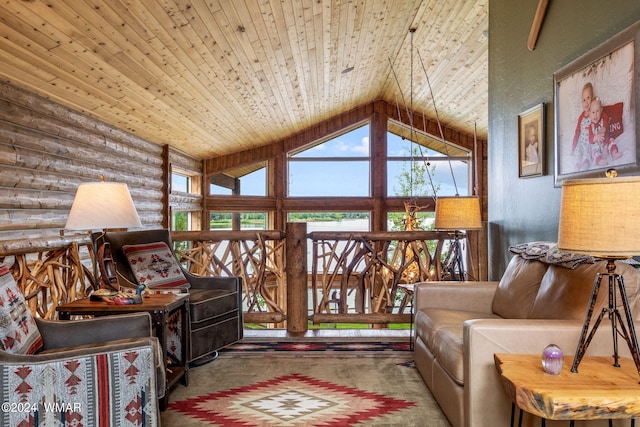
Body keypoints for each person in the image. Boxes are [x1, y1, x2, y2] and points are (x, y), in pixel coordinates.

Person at [571, 82, 594, 171]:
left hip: (590, 142)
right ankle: (577, 164)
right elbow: (577, 132)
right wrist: (573, 146)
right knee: (578, 150)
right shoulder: (581, 116)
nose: (586, 102)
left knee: (587, 151)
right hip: (581, 141)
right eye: (583, 100)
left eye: (588, 98)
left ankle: (586, 163)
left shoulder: (594, 113)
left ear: (592, 98)